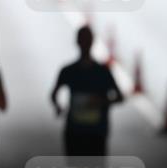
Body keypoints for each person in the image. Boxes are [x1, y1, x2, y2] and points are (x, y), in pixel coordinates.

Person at [51, 26, 124, 156]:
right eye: (82, 40)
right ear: (77, 42)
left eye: (87, 40)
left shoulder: (102, 72)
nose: (84, 43)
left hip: (96, 132)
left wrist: (102, 101)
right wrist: (58, 106)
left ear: (92, 42)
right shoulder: (69, 71)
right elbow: (53, 94)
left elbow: (120, 97)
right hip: (75, 132)